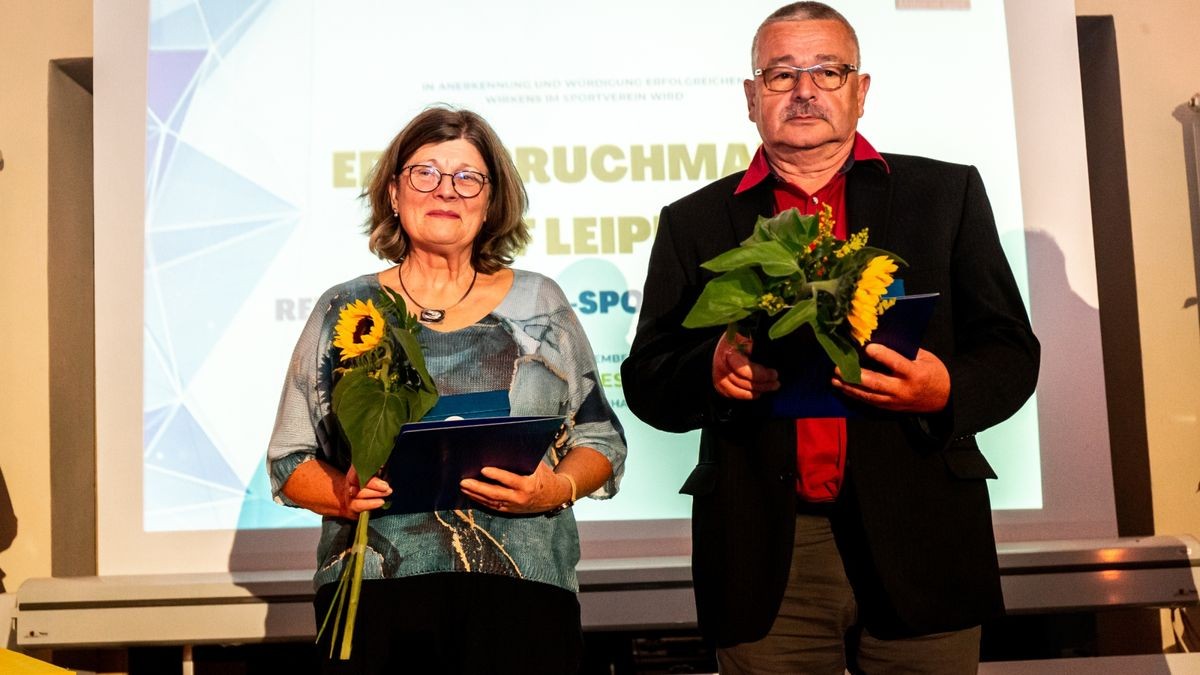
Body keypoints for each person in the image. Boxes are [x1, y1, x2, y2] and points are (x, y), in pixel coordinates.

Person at [621, 3, 1039, 673]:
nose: (805, 90)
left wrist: (946, 388)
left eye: (828, 70)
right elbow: (648, 379)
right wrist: (712, 367)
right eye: (782, 74)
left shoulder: (945, 193)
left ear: (861, 91)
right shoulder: (695, 221)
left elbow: (1012, 350)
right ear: (752, 98)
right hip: (768, 550)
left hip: (922, 535)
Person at [267, 105, 626, 674]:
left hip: (523, 590)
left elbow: (601, 440)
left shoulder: (541, 303)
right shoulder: (345, 308)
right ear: (393, 191)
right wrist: (342, 495)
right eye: (425, 173)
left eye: (467, 178)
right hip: (379, 592)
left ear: (491, 202)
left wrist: (552, 488)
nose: (446, 191)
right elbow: (289, 460)